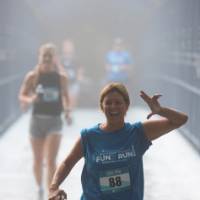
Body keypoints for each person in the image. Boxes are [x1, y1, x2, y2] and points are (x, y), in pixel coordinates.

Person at [48, 82, 188, 200]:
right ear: (102, 106)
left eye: (118, 102)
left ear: (126, 106)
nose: (113, 106)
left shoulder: (138, 133)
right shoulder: (88, 136)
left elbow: (181, 120)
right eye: (108, 103)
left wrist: (160, 110)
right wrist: (53, 187)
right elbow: (67, 163)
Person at [18, 43, 71, 198]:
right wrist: (31, 99)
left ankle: (51, 191)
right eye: (44, 56)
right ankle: (39, 187)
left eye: (50, 56)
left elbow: (66, 97)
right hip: (37, 121)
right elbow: (22, 95)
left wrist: (67, 111)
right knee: (37, 159)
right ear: (39, 57)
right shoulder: (32, 77)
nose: (47, 59)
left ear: (55, 58)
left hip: (54, 120)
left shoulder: (61, 78)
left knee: (51, 160)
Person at [60, 39, 84, 109]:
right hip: (64, 83)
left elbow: (80, 69)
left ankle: (72, 111)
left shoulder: (76, 58)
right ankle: (65, 111)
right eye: (66, 46)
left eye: (69, 46)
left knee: (73, 98)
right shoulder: (60, 58)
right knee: (63, 99)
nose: (68, 48)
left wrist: (79, 77)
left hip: (74, 82)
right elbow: (58, 69)